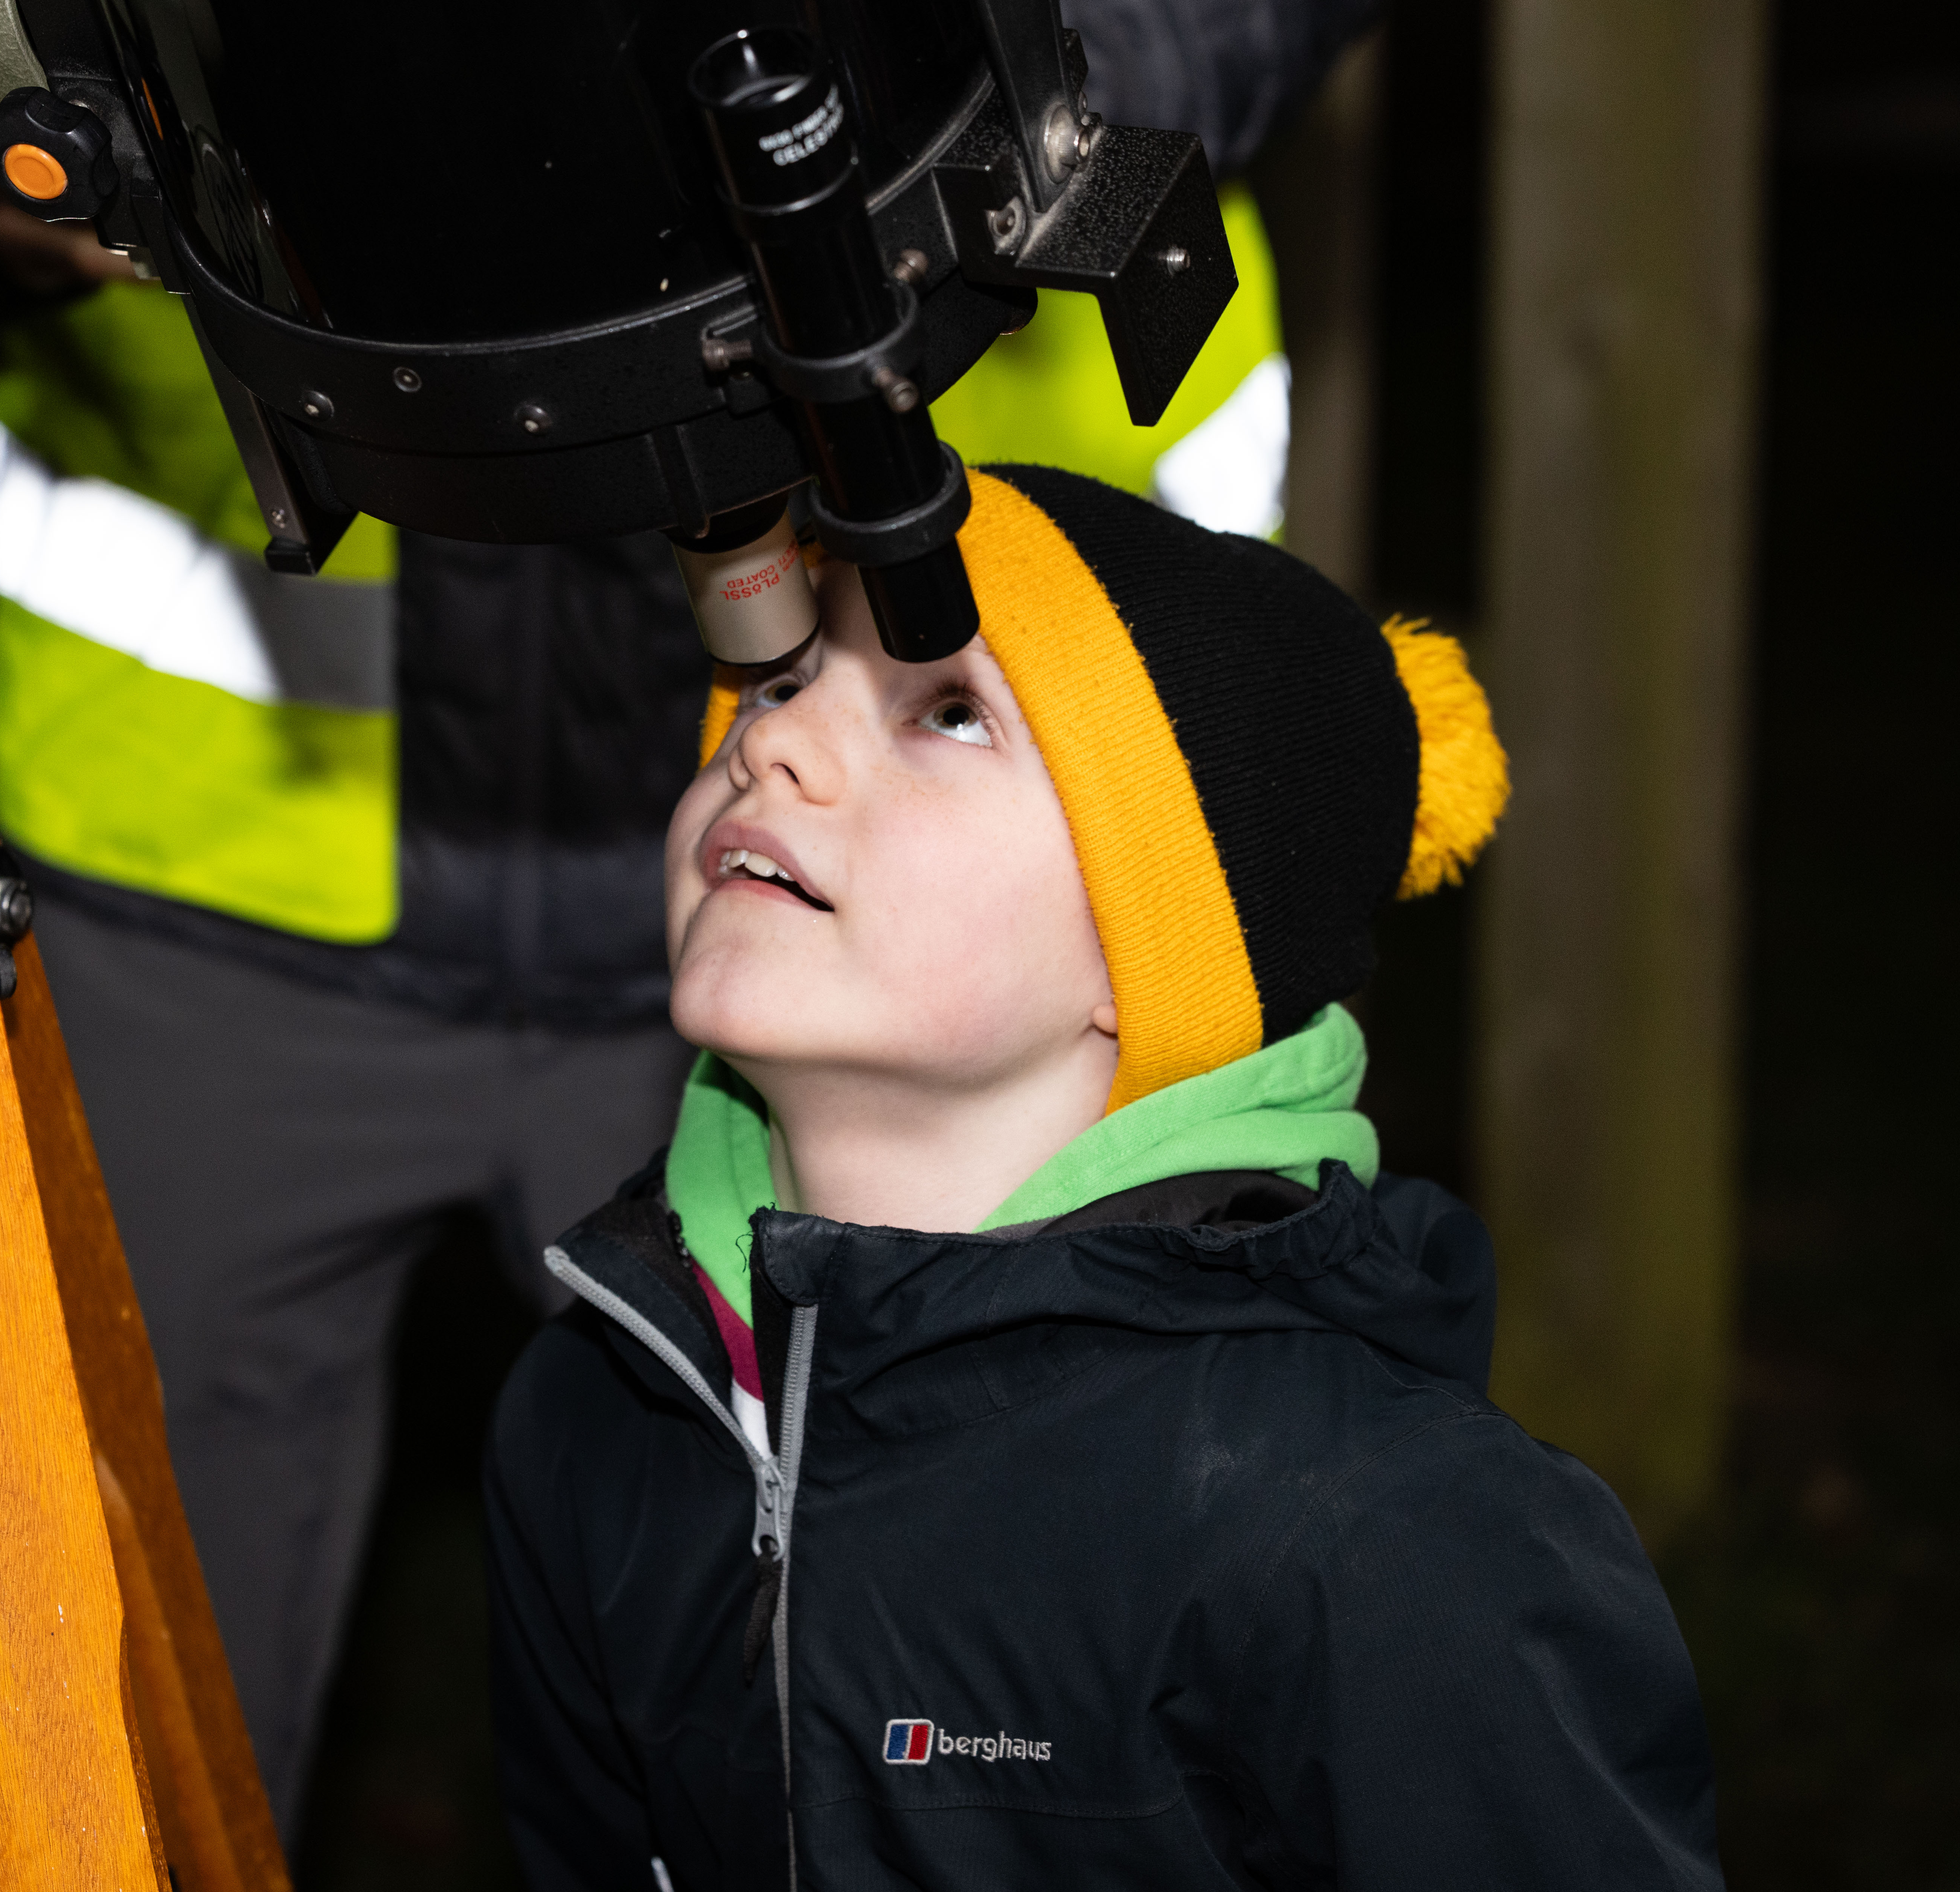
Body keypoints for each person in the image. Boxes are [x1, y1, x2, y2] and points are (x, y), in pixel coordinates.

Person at [0, 0, 1380, 1823]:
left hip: (900, 948)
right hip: (212, 900)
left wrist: (918, 112)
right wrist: (4, 166)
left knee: (933, 1741)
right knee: (87, 1742)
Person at [483, 467, 1724, 1889]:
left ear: (1151, 960)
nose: (778, 747)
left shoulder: (1377, 1536)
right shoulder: (594, 1413)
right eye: (776, 682)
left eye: (950, 712)